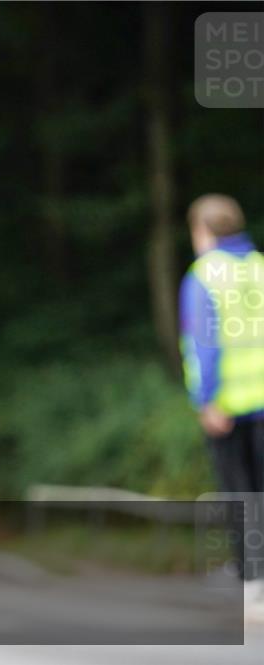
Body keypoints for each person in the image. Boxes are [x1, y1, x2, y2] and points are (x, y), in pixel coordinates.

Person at [179, 193, 264, 592]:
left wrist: (206, 399)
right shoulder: (261, 269)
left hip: (229, 405)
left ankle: (253, 581)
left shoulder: (205, 275)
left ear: (203, 231)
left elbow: (204, 344)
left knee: (240, 493)